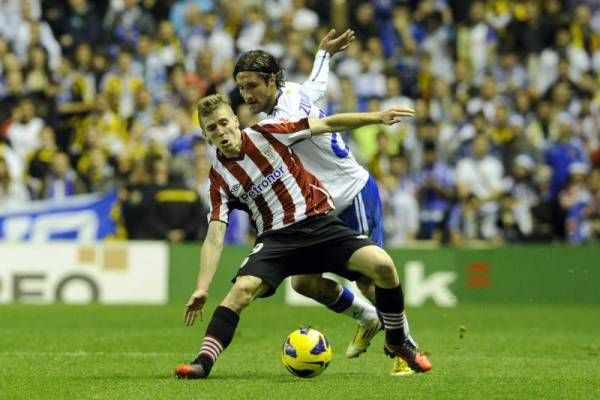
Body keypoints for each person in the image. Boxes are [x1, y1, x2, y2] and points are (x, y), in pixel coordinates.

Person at [175, 94, 431, 379]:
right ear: (206, 136)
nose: (221, 132)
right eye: (212, 129)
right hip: (276, 240)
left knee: (382, 265)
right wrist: (202, 287)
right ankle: (203, 363)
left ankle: (397, 340)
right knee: (241, 291)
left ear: (236, 121)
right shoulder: (219, 177)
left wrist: (376, 117)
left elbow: (327, 123)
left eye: (224, 123)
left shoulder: (267, 134)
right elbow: (214, 235)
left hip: (319, 224)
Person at [233, 36, 417, 375]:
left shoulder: (277, 122)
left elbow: (329, 123)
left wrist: (377, 117)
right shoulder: (296, 91)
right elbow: (318, 80)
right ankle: (367, 318)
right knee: (303, 283)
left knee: (368, 280)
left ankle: (405, 347)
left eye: (252, 85)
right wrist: (323, 52)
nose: (246, 95)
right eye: (241, 88)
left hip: (352, 194)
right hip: (321, 208)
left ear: (272, 80)